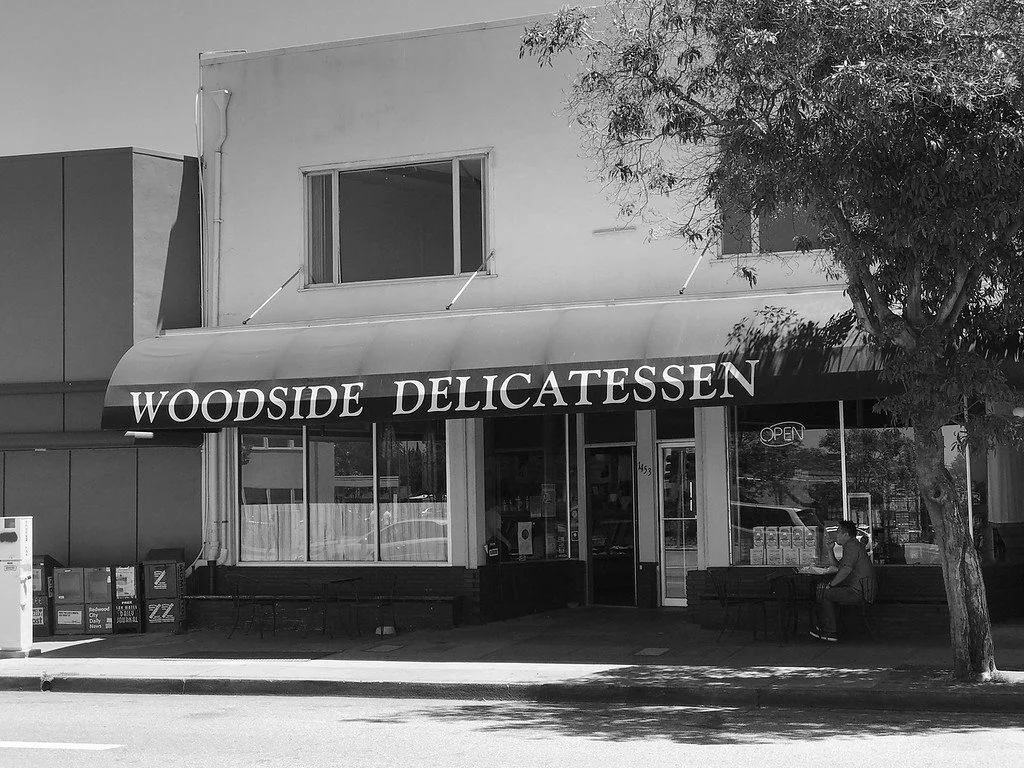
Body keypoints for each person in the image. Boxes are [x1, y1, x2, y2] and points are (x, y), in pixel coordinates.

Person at [811, 519, 877, 642]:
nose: (835, 535)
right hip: (860, 589)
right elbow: (838, 567)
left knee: (825, 594)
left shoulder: (851, 546)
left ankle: (831, 631)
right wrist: (830, 549)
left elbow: (846, 570)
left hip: (859, 592)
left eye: (838, 532)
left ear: (846, 535)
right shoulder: (852, 545)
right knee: (825, 591)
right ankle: (829, 626)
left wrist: (831, 585)